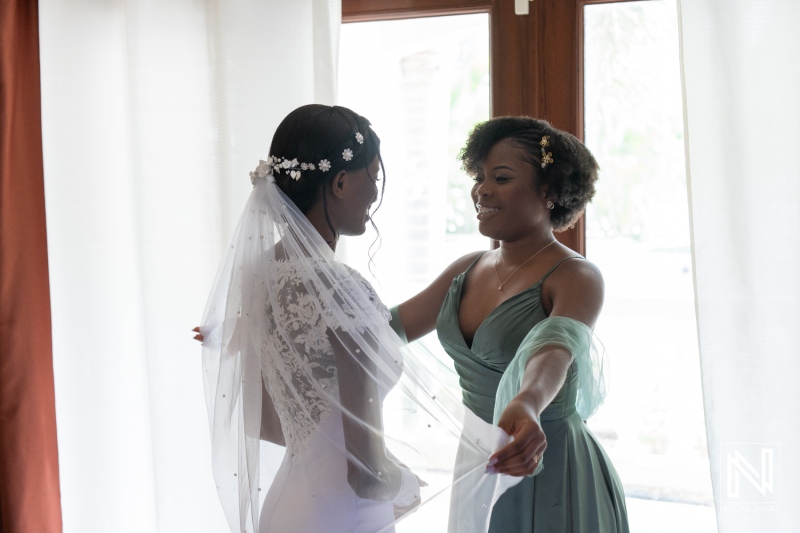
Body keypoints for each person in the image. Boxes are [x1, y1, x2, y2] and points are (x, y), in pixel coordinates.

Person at [194, 104, 518, 533]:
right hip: (340, 515)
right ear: (342, 182)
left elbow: (266, 423)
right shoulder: (339, 289)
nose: (375, 196)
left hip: (289, 507)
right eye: (374, 178)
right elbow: (366, 474)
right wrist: (407, 483)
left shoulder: (258, 277)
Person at [388, 116, 630, 532]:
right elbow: (383, 330)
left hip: (548, 463)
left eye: (500, 177)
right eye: (479, 176)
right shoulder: (465, 270)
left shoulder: (576, 276)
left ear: (549, 191)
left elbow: (553, 350)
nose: (481, 189)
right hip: (476, 464)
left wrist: (528, 402)